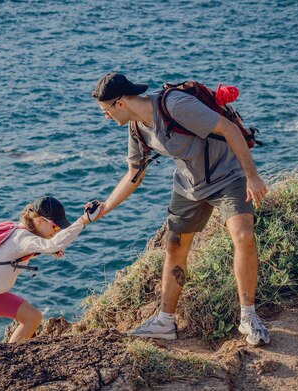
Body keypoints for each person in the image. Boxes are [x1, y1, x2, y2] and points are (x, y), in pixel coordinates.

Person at [90, 72, 270, 346]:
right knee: (174, 247)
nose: (106, 117)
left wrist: (252, 176)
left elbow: (230, 130)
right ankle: (164, 321)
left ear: (121, 103)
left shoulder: (174, 105)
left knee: (243, 236)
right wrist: (104, 207)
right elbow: (133, 175)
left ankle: (248, 317)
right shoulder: (137, 128)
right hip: (190, 185)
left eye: (106, 111)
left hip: (228, 176)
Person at [0, 196, 96, 353]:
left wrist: (42, 250)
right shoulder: (23, 238)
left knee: (32, 317)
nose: (55, 232)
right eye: (55, 227)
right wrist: (83, 220)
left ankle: (7, 357)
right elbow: (49, 244)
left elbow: (16, 251)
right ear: (39, 221)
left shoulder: (21, 231)